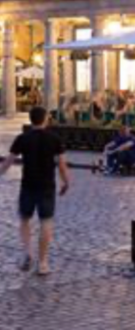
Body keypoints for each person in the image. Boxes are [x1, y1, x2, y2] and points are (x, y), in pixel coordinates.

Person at [0, 107, 70, 275]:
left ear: (31, 120)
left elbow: (8, 161)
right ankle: (43, 263)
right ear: (45, 119)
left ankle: (27, 252)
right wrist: (66, 182)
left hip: (28, 184)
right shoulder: (55, 138)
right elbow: (61, 164)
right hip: (47, 186)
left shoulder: (22, 138)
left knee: (25, 219)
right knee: (46, 221)